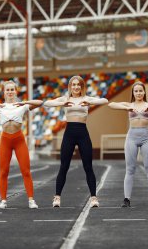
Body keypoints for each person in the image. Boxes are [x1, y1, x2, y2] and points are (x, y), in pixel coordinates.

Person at [44, 76, 108, 208]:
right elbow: (47, 103)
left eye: (78, 85)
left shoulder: (86, 98)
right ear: (70, 86)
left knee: (88, 166)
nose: (76, 87)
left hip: (83, 133)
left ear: (82, 86)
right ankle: (57, 197)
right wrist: (61, 104)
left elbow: (105, 100)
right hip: (69, 133)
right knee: (64, 166)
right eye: (73, 85)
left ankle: (94, 197)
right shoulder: (65, 98)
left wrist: (90, 103)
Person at [0, 80, 42, 209]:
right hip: (5, 141)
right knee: (3, 172)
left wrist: (25, 102)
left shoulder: (22, 106)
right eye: (8, 90)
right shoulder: (0, 107)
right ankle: (3, 201)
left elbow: (40, 103)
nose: (10, 92)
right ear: (4, 92)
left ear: (16, 91)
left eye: (12, 89)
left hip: (19, 140)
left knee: (26, 171)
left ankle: (31, 200)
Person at [108, 81, 148, 207]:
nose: (138, 93)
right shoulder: (129, 104)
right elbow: (111, 104)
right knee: (130, 169)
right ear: (133, 93)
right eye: (136, 91)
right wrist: (127, 108)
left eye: (140, 91)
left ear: (144, 92)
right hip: (131, 137)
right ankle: (127, 199)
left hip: (146, 137)